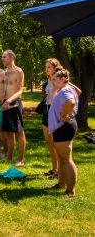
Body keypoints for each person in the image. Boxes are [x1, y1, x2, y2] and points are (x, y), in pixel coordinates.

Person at [48, 69, 79, 198]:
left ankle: (70, 191)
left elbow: (71, 102)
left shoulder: (66, 90)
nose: (52, 81)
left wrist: (64, 114)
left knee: (66, 159)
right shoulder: (63, 89)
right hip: (61, 127)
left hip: (64, 127)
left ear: (62, 80)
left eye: (55, 79)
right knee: (61, 159)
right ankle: (61, 183)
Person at [1, 50, 26, 166]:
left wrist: (10, 100)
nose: (2, 59)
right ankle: (9, 156)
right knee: (9, 132)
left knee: (19, 132)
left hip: (15, 103)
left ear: (12, 57)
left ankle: (21, 160)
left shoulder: (18, 71)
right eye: (2, 57)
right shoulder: (4, 72)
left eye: (4, 57)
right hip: (5, 104)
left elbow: (20, 90)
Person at [41, 58, 62, 178]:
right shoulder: (46, 81)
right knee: (49, 141)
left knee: (56, 142)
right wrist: (44, 94)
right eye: (46, 67)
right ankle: (54, 168)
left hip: (55, 112)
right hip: (46, 111)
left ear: (55, 68)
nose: (46, 69)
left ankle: (60, 170)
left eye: (49, 67)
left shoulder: (59, 79)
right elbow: (48, 95)